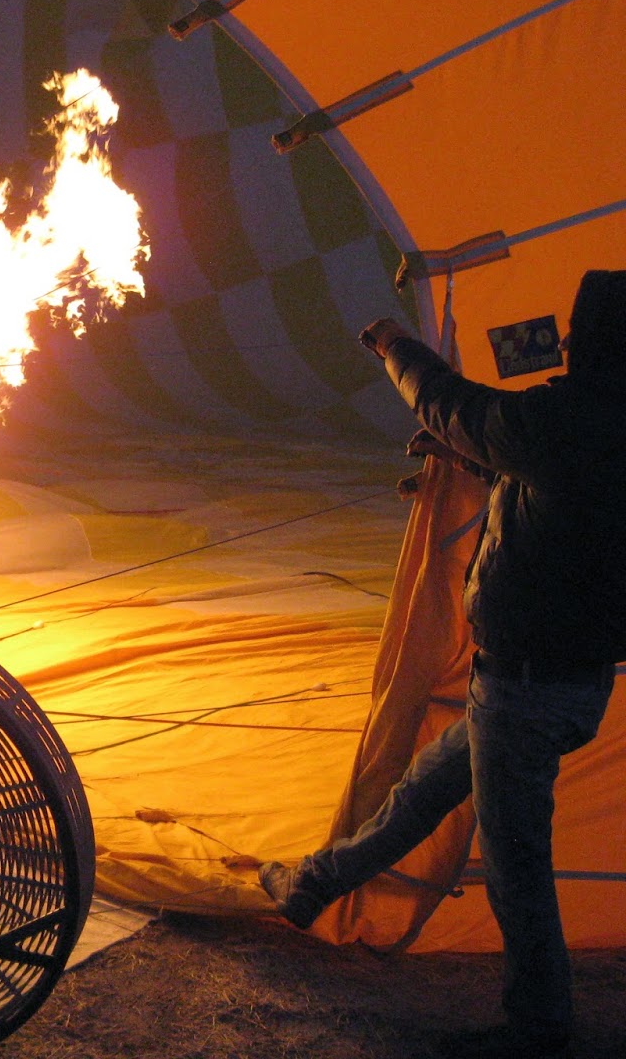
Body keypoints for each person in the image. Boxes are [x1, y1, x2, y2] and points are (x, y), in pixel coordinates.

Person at [257, 269, 626, 1059]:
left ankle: (540, 1028)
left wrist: (395, 346)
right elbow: (562, 495)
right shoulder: (595, 431)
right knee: (421, 792)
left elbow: (455, 405)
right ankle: (314, 884)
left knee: (515, 862)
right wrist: (474, 465)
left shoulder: (567, 420)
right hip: (557, 684)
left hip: (528, 687)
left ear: (589, 340)